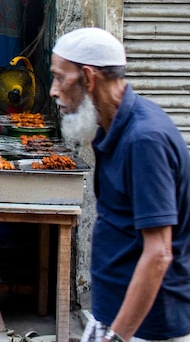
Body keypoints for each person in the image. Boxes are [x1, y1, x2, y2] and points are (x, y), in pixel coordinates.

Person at [50, 28, 190, 342]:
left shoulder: (145, 140)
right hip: (114, 316)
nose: (53, 91)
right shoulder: (112, 127)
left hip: (146, 328)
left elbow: (158, 254)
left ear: (88, 78)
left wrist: (117, 337)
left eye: (60, 78)